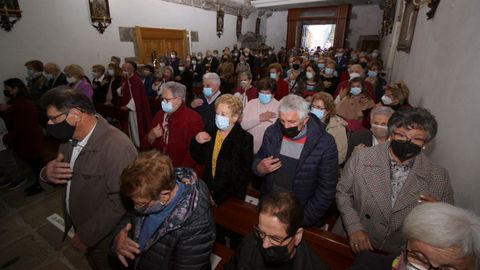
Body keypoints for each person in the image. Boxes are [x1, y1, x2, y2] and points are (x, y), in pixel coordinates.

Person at [39, 88, 137, 269]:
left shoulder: (117, 146)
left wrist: (87, 236)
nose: (49, 123)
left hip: (105, 235)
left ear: (75, 114)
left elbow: (120, 201)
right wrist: (46, 174)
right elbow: (65, 178)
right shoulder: (68, 140)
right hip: (83, 223)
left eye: (54, 118)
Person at [335, 107, 454, 254]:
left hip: (398, 253)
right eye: (401, 135)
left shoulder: (438, 176)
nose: (407, 142)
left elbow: (447, 222)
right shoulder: (363, 158)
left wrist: (437, 212)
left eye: (416, 138)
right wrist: (354, 227)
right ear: (391, 134)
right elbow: (343, 193)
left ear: (425, 143)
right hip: (355, 241)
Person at [112, 151, 215, 270]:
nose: (136, 208)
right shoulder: (152, 188)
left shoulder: (197, 226)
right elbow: (130, 218)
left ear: (165, 196)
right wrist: (117, 240)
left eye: (141, 205)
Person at [253, 95, 338, 227]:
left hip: (299, 214)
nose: (286, 127)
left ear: (305, 120)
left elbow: (326, 190)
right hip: (270, 208)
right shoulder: (272, 132)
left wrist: (302, 220)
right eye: (282, 121)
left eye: (292, 122)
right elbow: (259, 159)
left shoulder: (325, 143)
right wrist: (259, 168)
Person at [349, 202, 480, 270]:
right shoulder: (368, 265)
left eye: (447, 269)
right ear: (406, 246)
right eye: (420, 258)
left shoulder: (437, 177)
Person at [225, 191, 330, 270]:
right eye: (261, 232)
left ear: (297, 236)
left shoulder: (315, 267)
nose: (265, 245)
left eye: (275, 238)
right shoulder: (250, 242)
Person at [190, 94, 253, 205]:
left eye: (223, 114)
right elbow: (200, 159)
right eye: (217, 113)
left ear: (235, 117)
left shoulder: (244, 139)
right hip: (208, 189)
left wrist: (218, 196)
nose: (218, 117)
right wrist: (196, 141)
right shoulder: (211, 130)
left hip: (230, 196)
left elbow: (241, 174)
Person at [144, 82, 204, 172]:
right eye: (162, 99)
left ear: (179, 99)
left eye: (167, 100)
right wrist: (151, 136)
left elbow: (193, 153)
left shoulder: (193, 119)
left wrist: (179, 172)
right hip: (161, 166)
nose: (163, 103)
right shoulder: (160, 115)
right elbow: (145, 145)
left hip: (181, 169)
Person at [0, 78, 44, 195]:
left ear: (15, 88)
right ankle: (39, 182)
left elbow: (21, 126)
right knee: (33, 163)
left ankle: (42, 184)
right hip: (26, 138)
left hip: (30, 138)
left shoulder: (23, 103)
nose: (5, 91)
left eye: (7, 89)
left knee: (36, 164)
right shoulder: (17, 101)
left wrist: (6, 137)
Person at [241, 78, 280, 154]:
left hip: (268, 150)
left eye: (267, 93)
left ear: (273, 94)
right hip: (249, 148)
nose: (264, 95)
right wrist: (260, 118)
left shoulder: (279, 106)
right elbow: (243, 125)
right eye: (262, 92)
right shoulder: (251, 103)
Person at [119, 61, 152, 148]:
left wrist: (128, 106)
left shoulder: (136, 80)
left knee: (136, 127)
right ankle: (133, 142)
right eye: (123, 70)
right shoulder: (125, 79)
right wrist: (121, 89)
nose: (124, 72)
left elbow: (137, 97)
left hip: (135, 109)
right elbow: (121, 92)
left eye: (126, 70)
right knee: (130, 127)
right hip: (128, 108)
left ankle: (138, 144)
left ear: (131, 70)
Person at [310, 92, 348, 164]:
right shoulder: (306, 121)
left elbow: (341, 155)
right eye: (313, 107)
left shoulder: (337, 127)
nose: (314, 110)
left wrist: (324, 166)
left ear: (328, 111)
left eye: (318, 107)